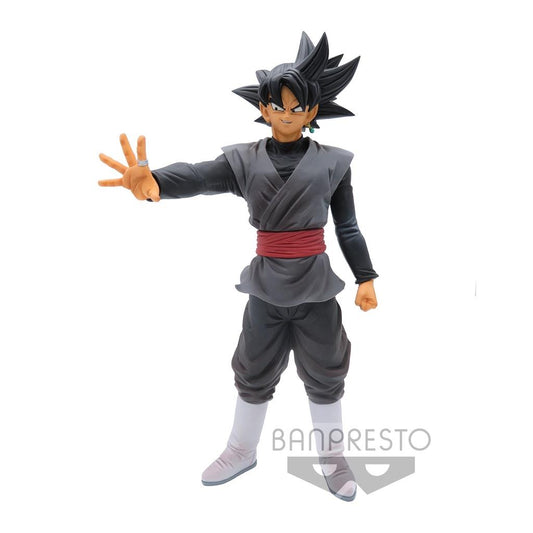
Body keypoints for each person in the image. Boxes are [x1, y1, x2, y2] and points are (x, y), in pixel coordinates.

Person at [98, 32, 378, 502]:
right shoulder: (243, 161)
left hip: (316, 287)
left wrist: (365, 277)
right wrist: (154, 183)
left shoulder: (333, 163)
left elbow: (348, 226)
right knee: (252, 369)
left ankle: (332, 458)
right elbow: (199, 176)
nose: (286, 114)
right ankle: (241, 449)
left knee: (328, 373)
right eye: (277, 106)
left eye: (296, 108)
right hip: (266, 288)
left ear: (311, 111)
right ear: (264, 108)